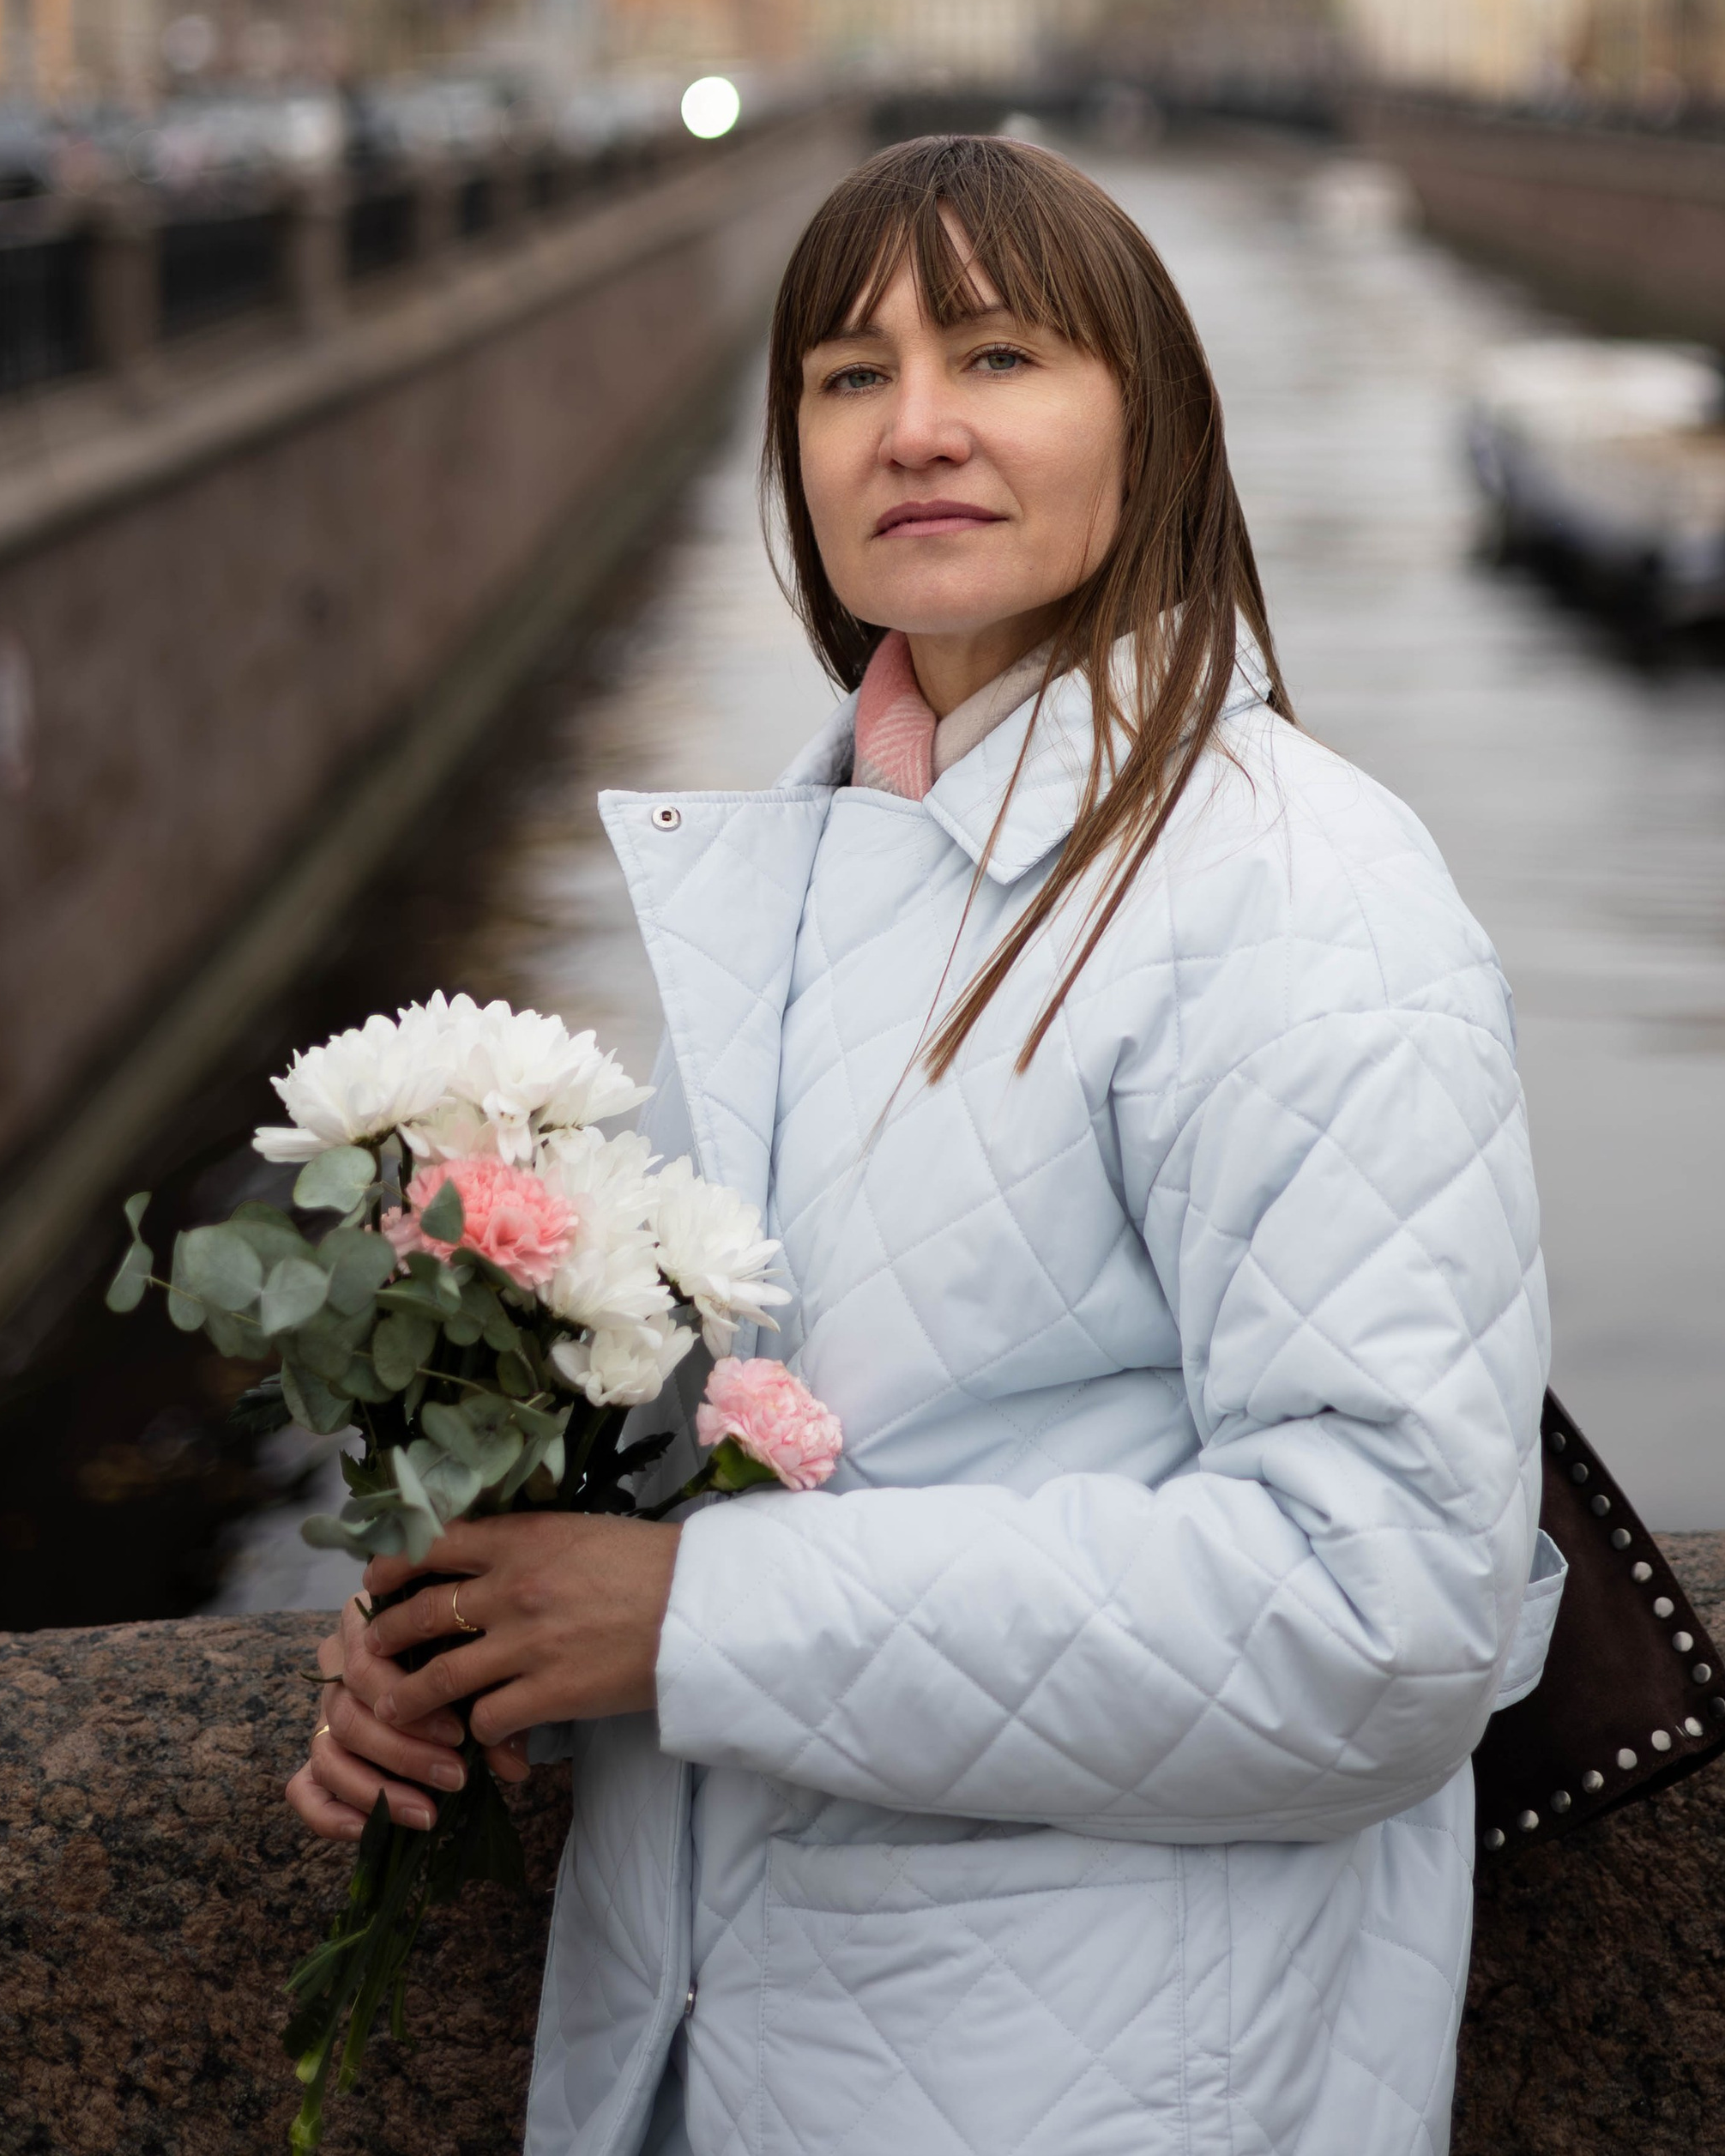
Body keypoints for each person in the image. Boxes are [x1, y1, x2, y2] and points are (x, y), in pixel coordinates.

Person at [291, 132, 1559, 2156]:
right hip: (739, 2050)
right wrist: (470, 1625)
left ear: (1152, 424)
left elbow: (1384, 1608)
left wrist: (686, 1621)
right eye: (847, 375)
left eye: (997, 356)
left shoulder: (1299, 891)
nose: (916, 430)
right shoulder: (823, 864)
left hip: (1110, 2080)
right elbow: (781, 1442)